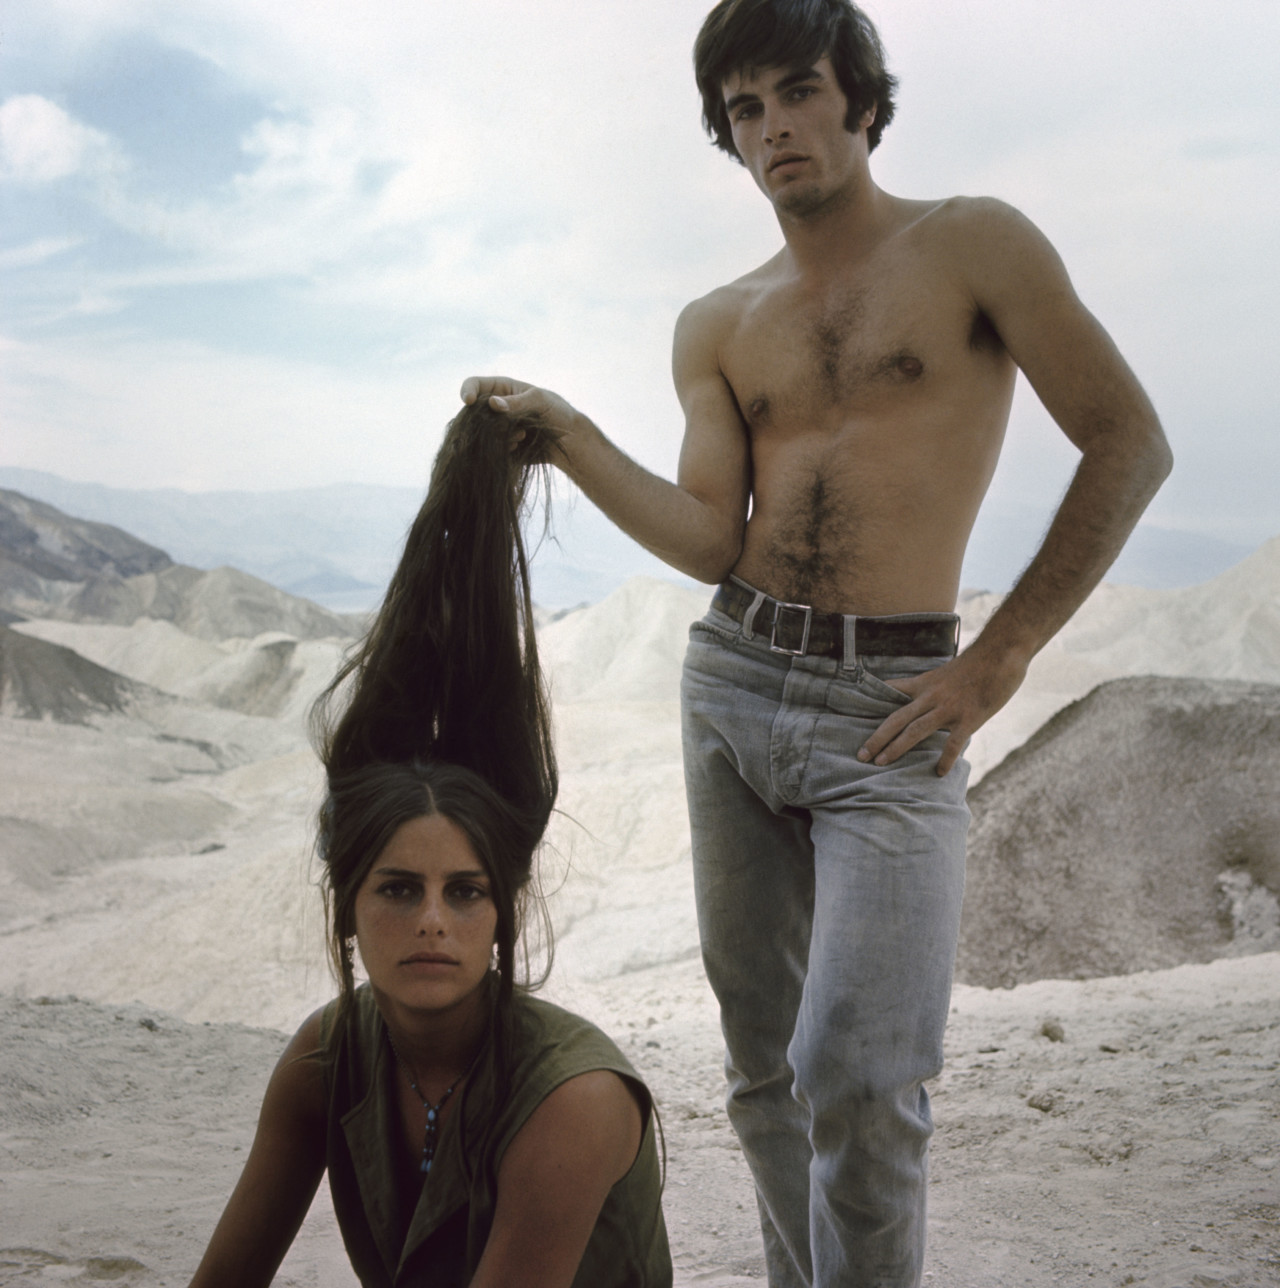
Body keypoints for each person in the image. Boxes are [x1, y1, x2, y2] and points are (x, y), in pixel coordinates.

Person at [463, 1, 1173, 1284]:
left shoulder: (972, 244)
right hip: (732, 684)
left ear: (861, 102)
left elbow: (1129, 442)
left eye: (798, 91)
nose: (774, 125)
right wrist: (566, 431)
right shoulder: (716, 321)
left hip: (893, 702)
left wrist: (995, 661)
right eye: (744, 109)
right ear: (725, 137)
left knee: (859, 1074)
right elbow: (702, 534)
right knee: (762, 1069)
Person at [189, 403, 672, 1288]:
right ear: (347, 906)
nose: (434, 922)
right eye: (399, 889)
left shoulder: (573, 1099)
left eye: (467, 891)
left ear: (502, 912)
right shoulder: (323, 1064)